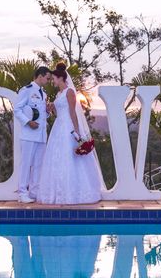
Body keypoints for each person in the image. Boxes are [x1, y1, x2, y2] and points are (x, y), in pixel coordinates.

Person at [36, 63, 104, 205]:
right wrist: (51, 108)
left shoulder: (69, 92)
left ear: (60, 78)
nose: (52, 81)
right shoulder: (59, 94)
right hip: (58, 126)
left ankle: (75, 192)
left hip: (68, 126)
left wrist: (77, 130)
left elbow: (72, 112)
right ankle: (57, 192)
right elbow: (59, 111)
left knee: (69, 157)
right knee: (57, 156)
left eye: (53, 78)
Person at [14, 66, 51, 203]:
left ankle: (34, 192)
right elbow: (17, 110)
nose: (48, 81)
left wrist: (47, 111)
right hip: (29, 135)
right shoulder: (26, 90)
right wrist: (28, 122)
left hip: (41, 135)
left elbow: (42, 115)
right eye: (47, 78)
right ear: (40, 76)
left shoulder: (44, 93)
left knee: (38, 164)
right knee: (26, 164)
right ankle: (22, 193)